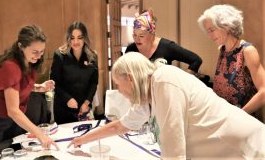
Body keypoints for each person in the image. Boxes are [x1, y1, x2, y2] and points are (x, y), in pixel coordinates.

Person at [68, 52, 265, 159]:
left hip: (245, 147)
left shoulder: (163, 80)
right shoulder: (147, 93)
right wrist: (83, 139)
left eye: (119, 85)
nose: (119, 91)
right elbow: (121, 125)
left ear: (130, 79)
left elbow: (174, 149)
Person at [0, 25, 59, 151]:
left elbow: (19, 85)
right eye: (34, 52)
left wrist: (39, 87)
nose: (39, 55)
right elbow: (13, 111)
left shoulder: (28, 62)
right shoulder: (10, 66)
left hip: (11, 121)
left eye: (42, 51)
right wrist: (39, 134)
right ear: (21, 46)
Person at [197, 4, 265, 117]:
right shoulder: (222, 50)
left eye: (211, 30)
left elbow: (264, 92)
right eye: (207, 32)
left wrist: (238, 116)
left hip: (244, 123)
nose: (209, 36)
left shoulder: (247, 51)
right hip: (224, 119)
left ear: (226, 26)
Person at [125, 9, 202, 74]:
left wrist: (184, 81)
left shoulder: (167, 46)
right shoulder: (130, 49)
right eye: (134, 35)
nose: (137, 40)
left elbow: (196, 60)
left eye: (141, 36)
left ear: (152, 34)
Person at [50, 21, 98, 124]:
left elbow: (94, 82)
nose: (75, 41)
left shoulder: (92, 56)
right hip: (64, 107)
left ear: (85, 38)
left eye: (79, 37)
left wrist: (86, 102)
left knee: (87, 137)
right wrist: (68, 99)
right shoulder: (60, 55)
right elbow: (55, 83)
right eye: (72, 38)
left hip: (84, 108)